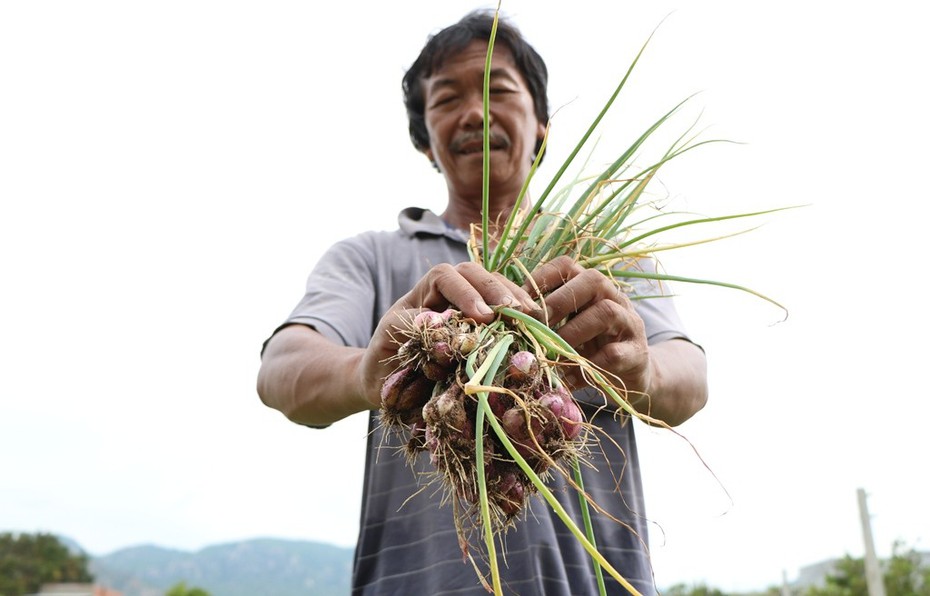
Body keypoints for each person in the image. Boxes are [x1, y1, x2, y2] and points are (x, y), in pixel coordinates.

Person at [257, 10, 707, 596]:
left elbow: (690, 378)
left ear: (541, 122)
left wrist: (640, 366)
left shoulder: (603, 256)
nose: (474, 112)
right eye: (446, 99)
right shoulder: (371, 258)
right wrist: (367, 374)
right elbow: (281, 370)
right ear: (424, 140)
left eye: (497, 90)